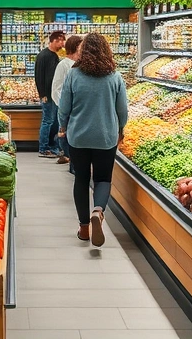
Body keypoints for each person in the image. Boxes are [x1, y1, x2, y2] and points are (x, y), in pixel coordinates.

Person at [58, 33, 128, 247]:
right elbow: (122, 110)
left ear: (83, 50)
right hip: (106, 136)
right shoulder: (115, 76)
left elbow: (64, 107)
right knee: (103, 179)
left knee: (81, 179)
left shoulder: (74, 74)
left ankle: (84, 228)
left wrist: (63, 126)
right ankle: (98, 211)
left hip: (78, 136)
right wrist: (121, 129)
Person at [51, 35, 83, 171]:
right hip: (68, 110)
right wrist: (64, 106)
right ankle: (72, 163)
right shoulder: (63, 65)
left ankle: (73, 164)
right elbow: (56, 89)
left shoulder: (81, 65)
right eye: (81, 46)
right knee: (66, 137)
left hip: (78, 110)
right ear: (76, 47)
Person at [34, 30, 66, 159]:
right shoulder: (43, 56)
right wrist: (42, 94)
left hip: (54, 94)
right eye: (60, 41)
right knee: (47, 121)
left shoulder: (55, 56)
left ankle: (53, 146)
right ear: (53, 41)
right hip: (47, 95)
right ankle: (43, 148)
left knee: (54, 121)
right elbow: (38, 76)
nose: (62, 44)